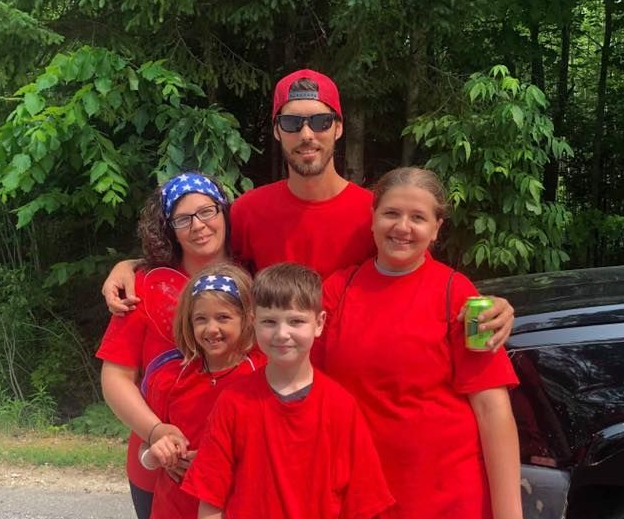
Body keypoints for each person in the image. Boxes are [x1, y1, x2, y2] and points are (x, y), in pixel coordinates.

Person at [101, 69, 515, 351]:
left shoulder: (377, 214)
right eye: (292, 122)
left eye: (319, 121)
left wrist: (491, 306)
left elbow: (421, 282)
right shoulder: (249, 211)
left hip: (354, 387)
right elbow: (200, 260)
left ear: (338, 127)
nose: (306, 135)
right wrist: (132, 266)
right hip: (269, 386)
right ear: (277, 130)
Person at [318, 167, 531, 519]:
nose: (403, 227)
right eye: (392, 213)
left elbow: (493, 410)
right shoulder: (337, 292)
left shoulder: (462, 298)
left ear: (437, 228)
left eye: (418, 217)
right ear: (372, 220)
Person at [181, 263, 395, 519]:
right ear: (253, 324)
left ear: (319, 323)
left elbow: (358, 511)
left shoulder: (341, 409)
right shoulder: (234, 403)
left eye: (296, 320)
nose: (282, 333)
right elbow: (211, 499)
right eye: (270, 321)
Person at [115, 263, 259, 519]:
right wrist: (157, 449)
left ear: (247, 319)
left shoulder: (259, 380)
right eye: (201, 319)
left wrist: (219, 466)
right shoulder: (171, 377)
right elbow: (147, 454)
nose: (211, 329)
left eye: (223, 317)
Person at [97, 171, 232, 519]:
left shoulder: (252, 281)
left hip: (236, 469)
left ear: (224, 212)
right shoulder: (143, 286)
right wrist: (156, 431)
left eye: (207, 211)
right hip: (160, 467)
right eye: (183, 218)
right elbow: (115, 377)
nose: (199, 226)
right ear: (168, 227)